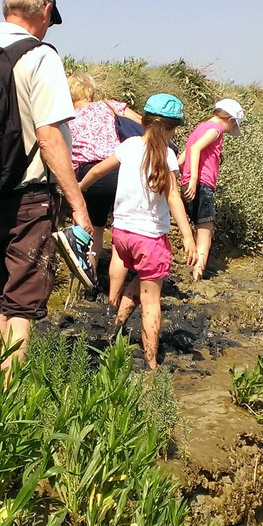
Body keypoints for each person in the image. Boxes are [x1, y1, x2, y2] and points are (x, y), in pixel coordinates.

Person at [0, 0, 91, 368]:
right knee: (21, 308)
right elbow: (50, 139)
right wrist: (78, 206)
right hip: (30, 200)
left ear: (6, 7)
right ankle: (8, 406)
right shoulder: (40, 56)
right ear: (46, 10)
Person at [79, 93, 196, 369]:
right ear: (172, 128)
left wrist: (77, 190)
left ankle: (116, 323)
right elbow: (173, 198)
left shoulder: (129, 145)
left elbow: (96, 171)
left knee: (135, 279)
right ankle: (152, 362)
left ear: (143, 121)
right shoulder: (166, 155)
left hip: (121, 235)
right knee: (151, 300)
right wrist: (188, 237)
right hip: (150, 239)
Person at [66, 72, 144, 281]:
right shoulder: (109, 106)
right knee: (122, 227)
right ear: (90, 91)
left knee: (95, 229)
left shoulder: (65, 117)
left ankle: (88, 277)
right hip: (120, 168)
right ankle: (122, 282)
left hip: (89, 175)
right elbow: (143, 123)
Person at [179, 99, 245, 281]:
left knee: (198, 228)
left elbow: (183, 157)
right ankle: (197, 275)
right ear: (230, 120)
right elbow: (196, 148)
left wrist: (185, 178)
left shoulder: (200, 127)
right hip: (201, 184)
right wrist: (194, 179)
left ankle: (190, 269)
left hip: (188, 183)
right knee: (205, 233)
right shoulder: (215, 131)